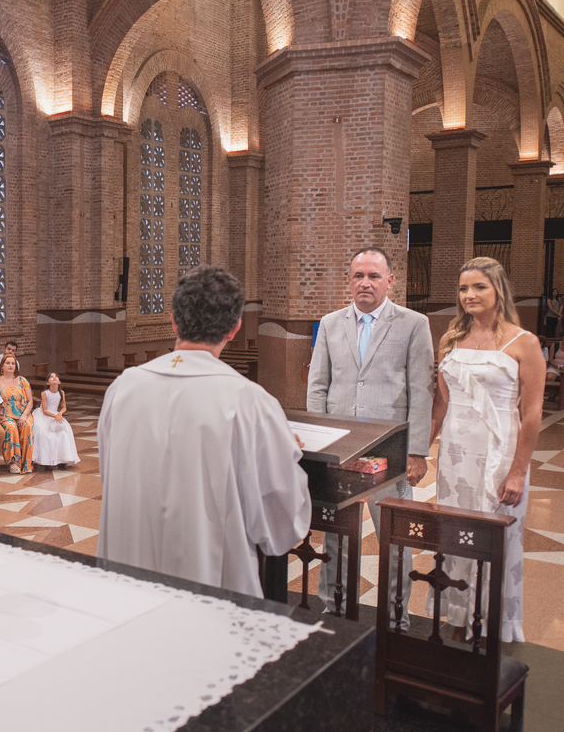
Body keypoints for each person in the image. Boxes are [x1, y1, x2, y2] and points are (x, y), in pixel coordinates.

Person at [98, 266, 311, 598]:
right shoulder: (249, 401)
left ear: (174, 321)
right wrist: (287, 450)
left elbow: (109, 476)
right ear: (234, 329)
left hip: (128, 588)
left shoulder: (123, 388)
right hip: (212, 598)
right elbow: (279, 527)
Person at [307, 246, 434, 626]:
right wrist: (319, 444)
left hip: (389, 451)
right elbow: (318, 386)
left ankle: (396, 616)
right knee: (337, 533)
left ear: (390, 281)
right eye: (358, 275)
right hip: (340, 450)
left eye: (374, 276)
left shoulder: (413, 323)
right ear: (349, 280)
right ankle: (334, 605)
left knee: (394, 537)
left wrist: (417, 451)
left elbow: (421, 391)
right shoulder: (330, 323)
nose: (365, 283)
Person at [429, 257, 542, 642]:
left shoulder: (524, 342)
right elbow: (441, 406)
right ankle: (459, 615)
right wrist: (418, 452)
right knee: (455, 533)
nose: (469, 295)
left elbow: (531, 413)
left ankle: (492, 623)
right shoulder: (450, 340)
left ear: (498, 291)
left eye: (479, 287)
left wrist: (518, 471)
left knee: (495, 537)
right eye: (463, 288)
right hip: (456, 456)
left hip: (498, 452)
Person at [0, 353, 34, 474]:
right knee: (11, 427)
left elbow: (30, 400)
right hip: (4, 415)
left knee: (27, 425)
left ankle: (26, 462)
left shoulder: (23, 380)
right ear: (2, 366)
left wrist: (24, 415)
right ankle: (13, 462)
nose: (11, 366)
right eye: (8, 363)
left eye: (13, 363)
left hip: (22, 413)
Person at [31, 373, 79, 469]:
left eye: (56, 377)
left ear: (59, 382)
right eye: (51, 377)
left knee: (64, 431)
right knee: (45, 434)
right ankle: (47, 460)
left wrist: (59, 414)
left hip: (56, 414)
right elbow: (44, 410)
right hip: (45, 415)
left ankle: (61, 458)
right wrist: (55, 416)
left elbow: (64, 407)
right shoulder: (45, 393)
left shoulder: (61, 393)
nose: (54, 378)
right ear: (48, 383)